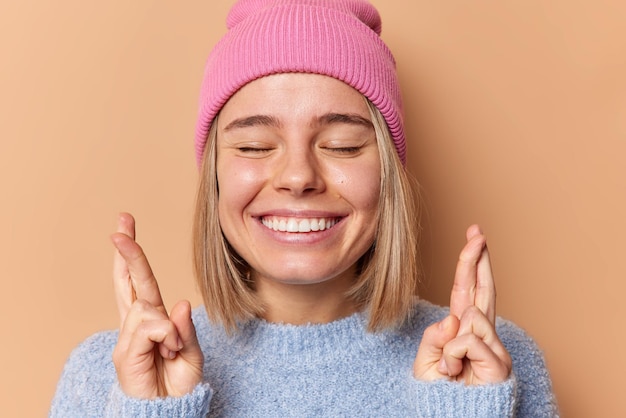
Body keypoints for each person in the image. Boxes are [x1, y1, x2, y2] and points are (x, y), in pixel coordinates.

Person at [50, 0, 559, 416]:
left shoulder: (495, 364)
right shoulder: (104, 380)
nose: (298, 177)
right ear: (216, 176)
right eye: (253, 146)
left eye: (340, 144)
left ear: (388, 174)